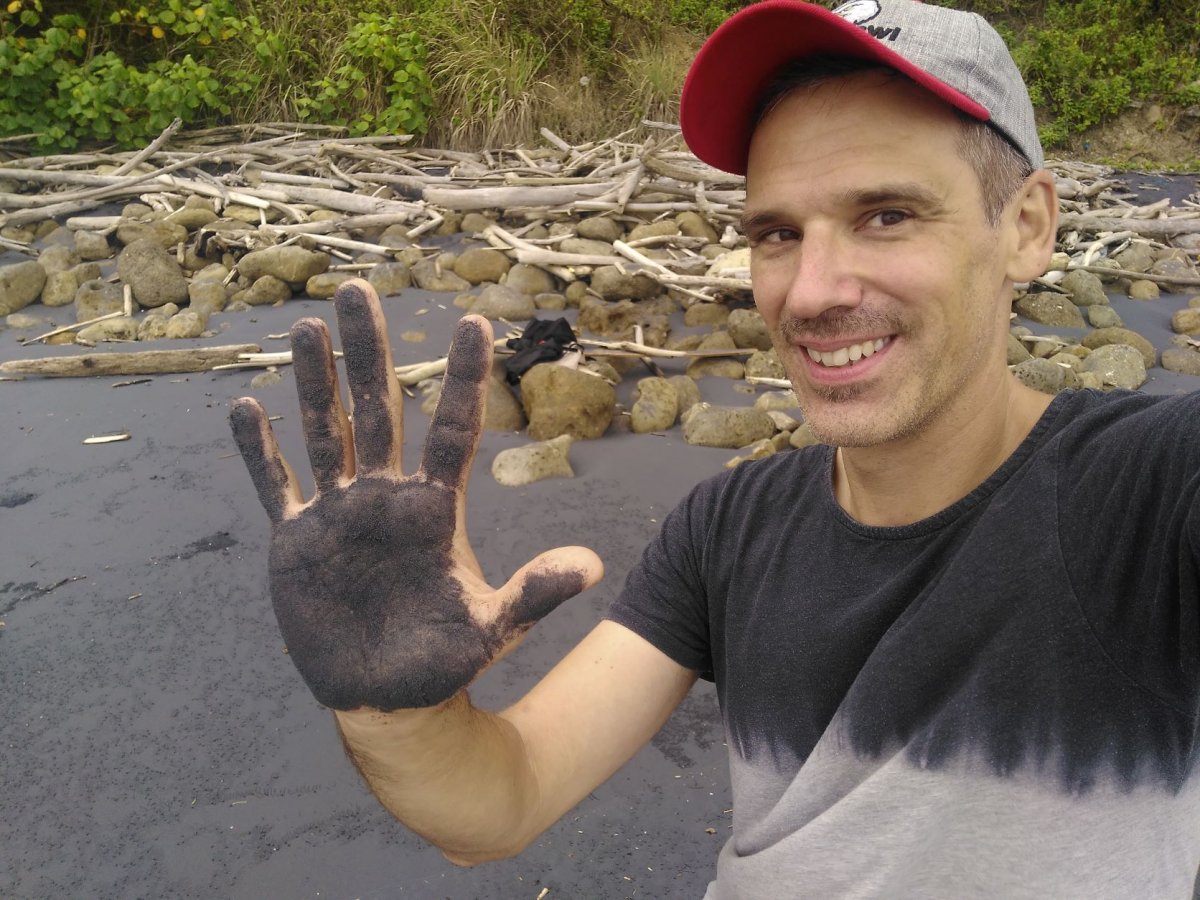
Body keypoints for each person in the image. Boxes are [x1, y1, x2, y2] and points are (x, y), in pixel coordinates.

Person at [230, 0, 1200, 895]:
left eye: (887, 215)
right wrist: (390, 712)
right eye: (777, 232)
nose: (812, 289)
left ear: (1027, 226)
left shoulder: (1149, 500)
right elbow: (499, 802)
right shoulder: (730, 531)